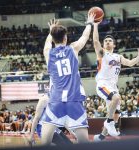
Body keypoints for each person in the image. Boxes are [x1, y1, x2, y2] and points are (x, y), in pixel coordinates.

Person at [41, 13, 95, 145]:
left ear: (53, 39)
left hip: (56, 101)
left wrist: (51, 31)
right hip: (74, 99)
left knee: (45, 143)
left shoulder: (48, 52)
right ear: (65, 38)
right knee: (84, 142)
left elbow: (48, 42)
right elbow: (85, 36)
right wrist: (89, 23)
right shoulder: (73, 48)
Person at [93, 22, 139, 141]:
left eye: (110, 41)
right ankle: (108, 122)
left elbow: (130, 63)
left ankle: (102, 136)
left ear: (114, 44)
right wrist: (95, 25)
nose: (107, 42)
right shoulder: (102, 53)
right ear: (103, 44)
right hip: (103, 84)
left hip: (113, 87)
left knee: (116, 114)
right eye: (106, 41)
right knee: (116, 98)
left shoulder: (118, 57)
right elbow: (96, 41)